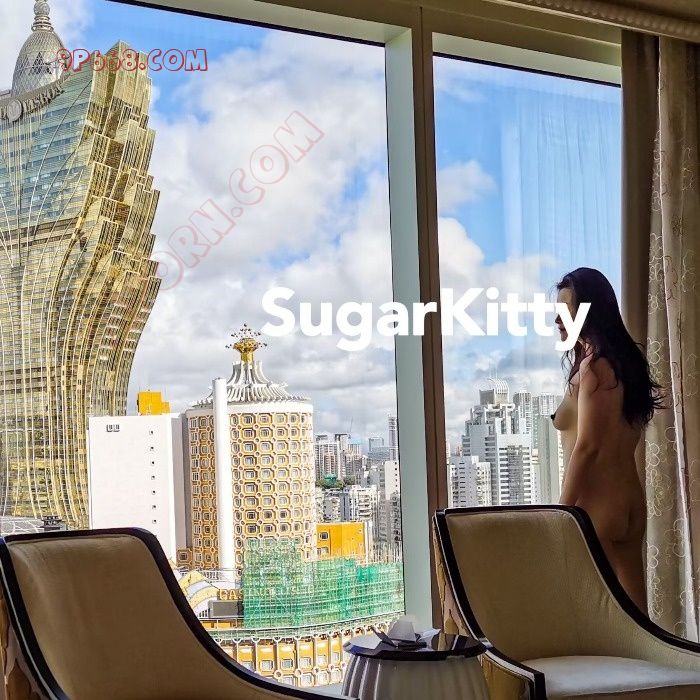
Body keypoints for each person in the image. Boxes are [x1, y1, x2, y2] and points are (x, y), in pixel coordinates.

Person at [551, 267, 663, 613]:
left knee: (598, 621)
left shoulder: (594, 368)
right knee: (638, 622)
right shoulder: (625, 364)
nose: (557, 320)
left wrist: (561, 512)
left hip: (596, 507)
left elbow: (588, 447)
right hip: (628, 501)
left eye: (566, 311)